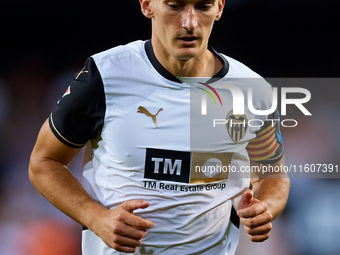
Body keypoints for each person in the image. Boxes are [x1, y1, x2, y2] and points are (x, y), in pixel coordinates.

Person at [29, 0, 290, 254]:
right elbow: (44, 162)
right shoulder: (105, 76)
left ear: (220, 7)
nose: (190, 22)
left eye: (203, 6)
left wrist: (264, 207)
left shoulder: (253, 90)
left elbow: (272, 175)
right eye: (175, 6)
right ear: (146, 5)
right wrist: (96, 217)